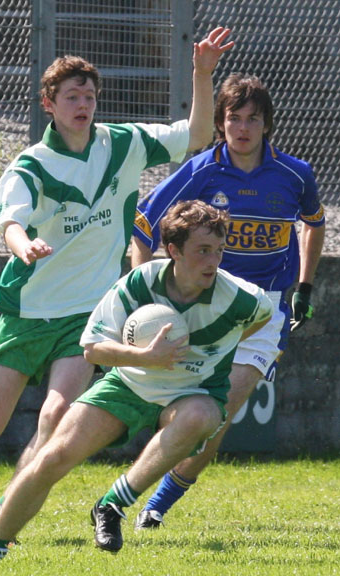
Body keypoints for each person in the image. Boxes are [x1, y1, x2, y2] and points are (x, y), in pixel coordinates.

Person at [0, 29, 234, 525]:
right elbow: (11, 222)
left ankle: (12, 503)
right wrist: (26, 246)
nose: (83, 103)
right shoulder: (33, 165)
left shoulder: (122, 144)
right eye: (72, 96)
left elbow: (195, 137)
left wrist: (201, 75)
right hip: (30, 310)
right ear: (50, 103)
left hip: (87, 309)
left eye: (89, 95)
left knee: (57, 414)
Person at [0, 200, 273, 562]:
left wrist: (213, 351)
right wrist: (144, 358)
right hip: (128, 384)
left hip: (192, 392)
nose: (213, 261)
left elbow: (262, 318)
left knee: (202, 417)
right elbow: (92, 348)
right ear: (173, 250)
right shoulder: (140, 283)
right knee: (53, 456)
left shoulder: (239, 297)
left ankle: (112, 505)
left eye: (218, 251)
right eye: (202, 251)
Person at [130, 73, 326, 529]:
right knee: (188, 417)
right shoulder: (201, 171)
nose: (242, 128)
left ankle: (155, 506)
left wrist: (305, 286)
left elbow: (313, 224)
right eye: (233, 118)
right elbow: (143, 225)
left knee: (217, 416)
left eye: (252, 119)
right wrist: (145, 290)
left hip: (265, 312)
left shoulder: (296, 174)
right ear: (220, 123)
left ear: (266, 124)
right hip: (202, 309)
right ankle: (127, 494)